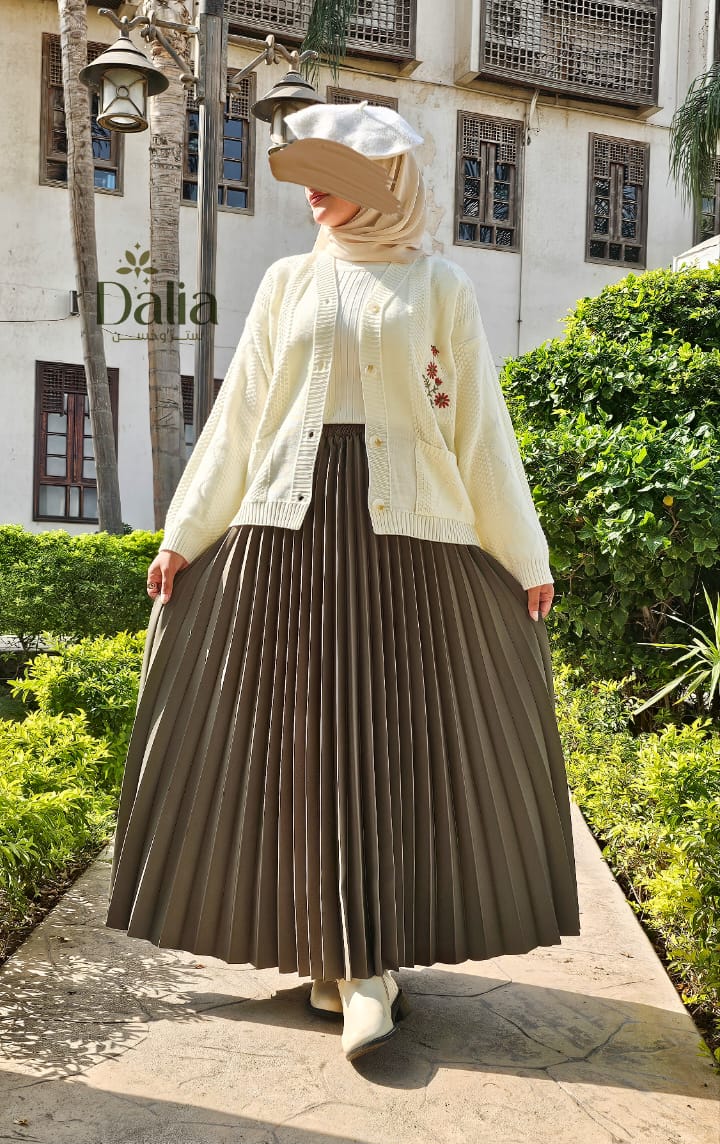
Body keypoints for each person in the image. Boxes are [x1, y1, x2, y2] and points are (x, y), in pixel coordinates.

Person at [106, 102, 580, 1063]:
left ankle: (368, 968)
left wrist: (522, 555)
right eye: (310, 173)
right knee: (301, 744)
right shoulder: (288, 281)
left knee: (390, 742)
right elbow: (243, 415)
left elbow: (480, 429)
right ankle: (331, 952)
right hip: (288, 535)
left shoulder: (441, 285)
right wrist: (186, 536)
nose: (315, 191)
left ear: (388, 182)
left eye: (337, 174)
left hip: (408, 545)